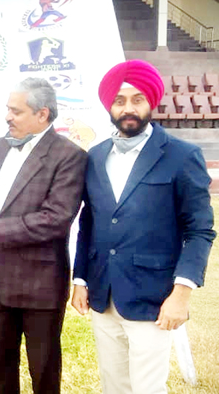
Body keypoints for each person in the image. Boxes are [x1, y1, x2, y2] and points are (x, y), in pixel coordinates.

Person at [72, 59, 215, 394]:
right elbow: (89, 221)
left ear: (152, 101)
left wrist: (181, 295)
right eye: (119, 100)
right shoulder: (95, 157)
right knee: (113, 386)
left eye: (137, 99)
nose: (128, 108)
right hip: (103, 293)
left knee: (148, 388)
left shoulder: (181, 155)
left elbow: (199, 230)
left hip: (154, 297)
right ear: (109, 106)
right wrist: (80, 279)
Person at [0, 77, 87, 394]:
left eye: (16, 111)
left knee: (43, 371)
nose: (7, 117)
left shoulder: (69, 156)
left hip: (41, 283)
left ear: (42, 114)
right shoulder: (2, 145)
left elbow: (55, 219)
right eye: (8, 109)